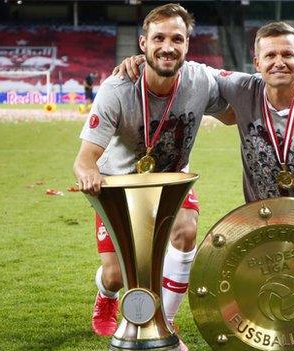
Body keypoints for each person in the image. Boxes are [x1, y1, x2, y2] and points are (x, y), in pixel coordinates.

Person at [114, 21, 294, 351]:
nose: (279, 62)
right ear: (257, 62)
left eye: (288, 55)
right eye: (271, 55)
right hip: (261, 219)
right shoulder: (242, 89)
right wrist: (143, 60)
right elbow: (190, 69)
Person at [73, 4, 230, 349]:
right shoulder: (118, 87)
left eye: (177, 38)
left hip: (170, 181)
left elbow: (234, 113)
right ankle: (106, 296)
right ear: (143, 43)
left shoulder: (200, 79)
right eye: (158, 38)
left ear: (188, 45)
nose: (168, 46)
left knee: (186, 232)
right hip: (120, 186)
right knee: (116, 275)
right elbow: (85, 159)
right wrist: (88, 176)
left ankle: (165, 322)